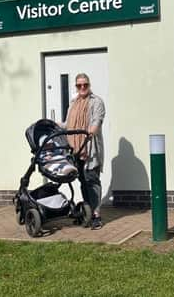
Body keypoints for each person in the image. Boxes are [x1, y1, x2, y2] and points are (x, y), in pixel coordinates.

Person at [63, 73, 106, 230]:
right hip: (76, 149)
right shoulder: (73, 103)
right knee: (82, 181)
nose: (82, 88)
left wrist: (91, 131)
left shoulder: (97, 102)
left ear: (89, 85)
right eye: (79, 85)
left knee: (92, 180)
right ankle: (87, 212)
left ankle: (96, 215)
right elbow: (68, 124)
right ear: (76, 86)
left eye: (85, 85)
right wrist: (55, 125)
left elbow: (97, 121)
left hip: (89, 149)